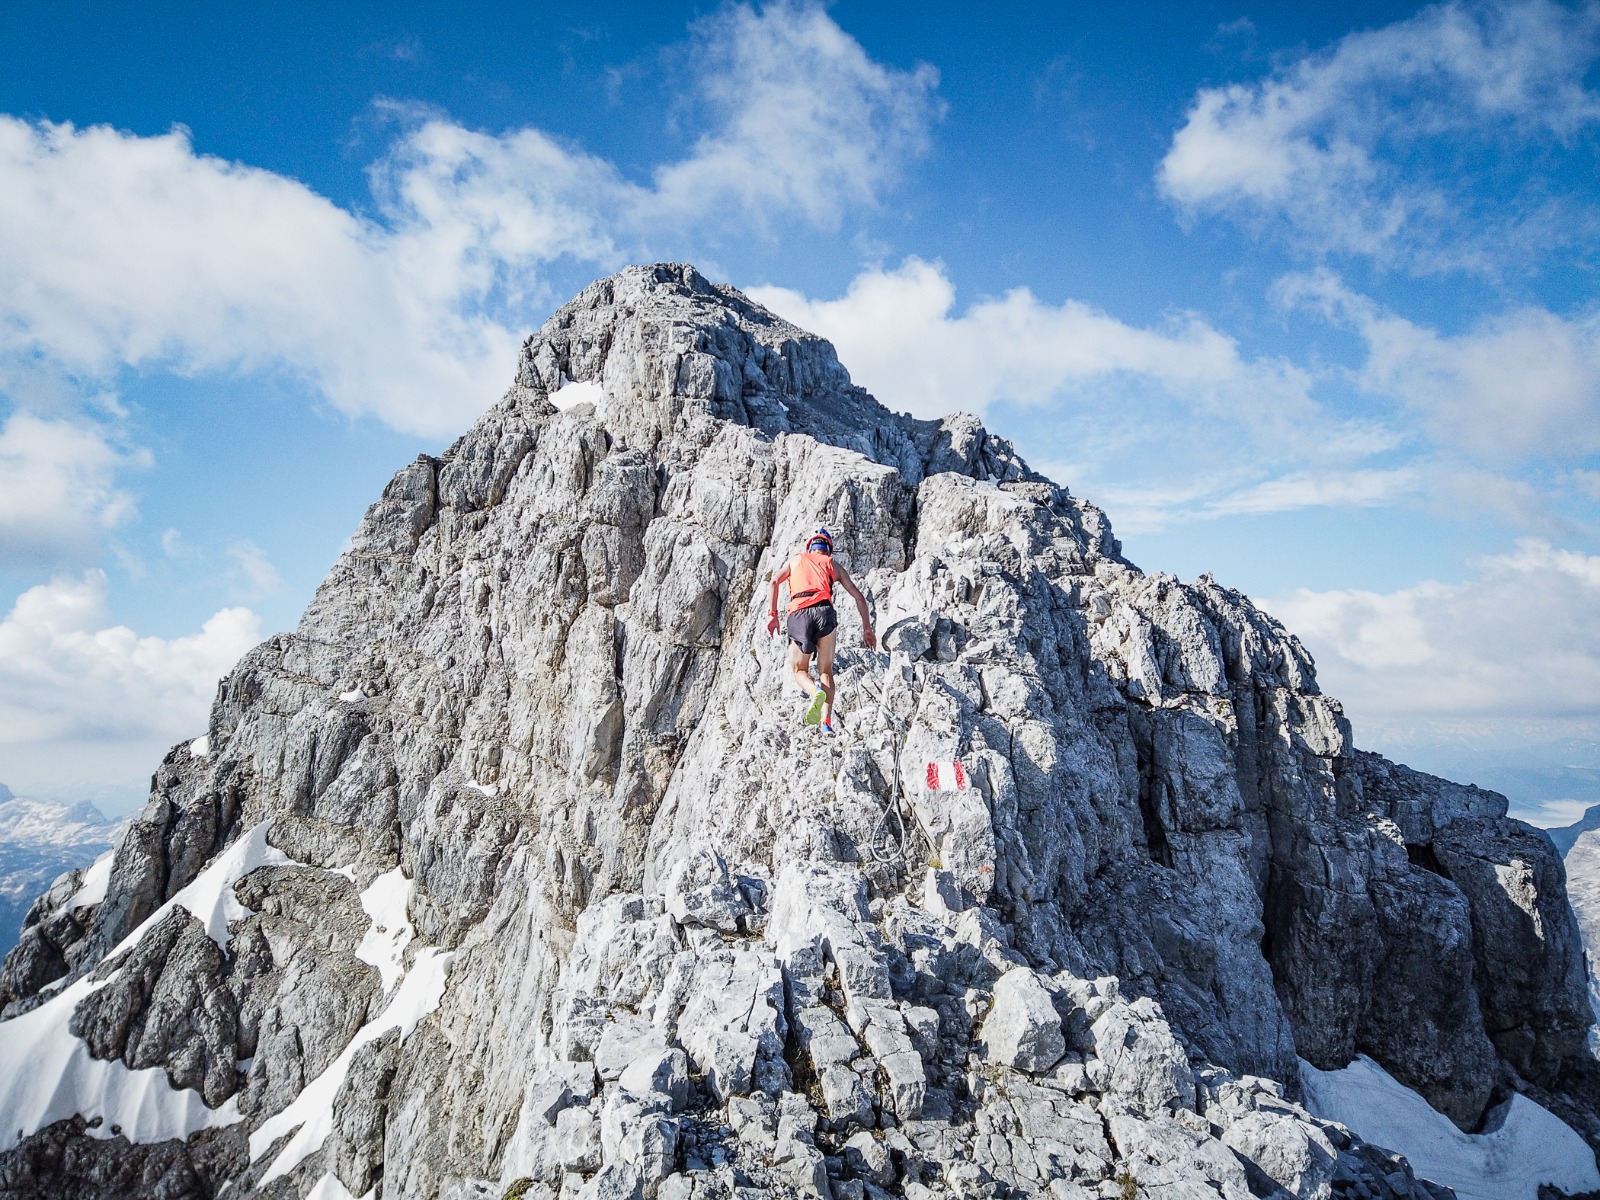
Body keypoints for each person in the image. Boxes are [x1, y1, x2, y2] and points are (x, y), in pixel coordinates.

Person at [766, 527, 877, 734]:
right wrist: (867, 629)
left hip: (799, 614)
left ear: (810, 547)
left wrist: (773, 615)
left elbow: (773, 582)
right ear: (828, 550)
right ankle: (826, 723)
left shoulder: (796, 560)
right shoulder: (832, 564)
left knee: (799, 670)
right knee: (826, 671)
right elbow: (859, 597)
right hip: (825, 613)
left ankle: (813, 690)